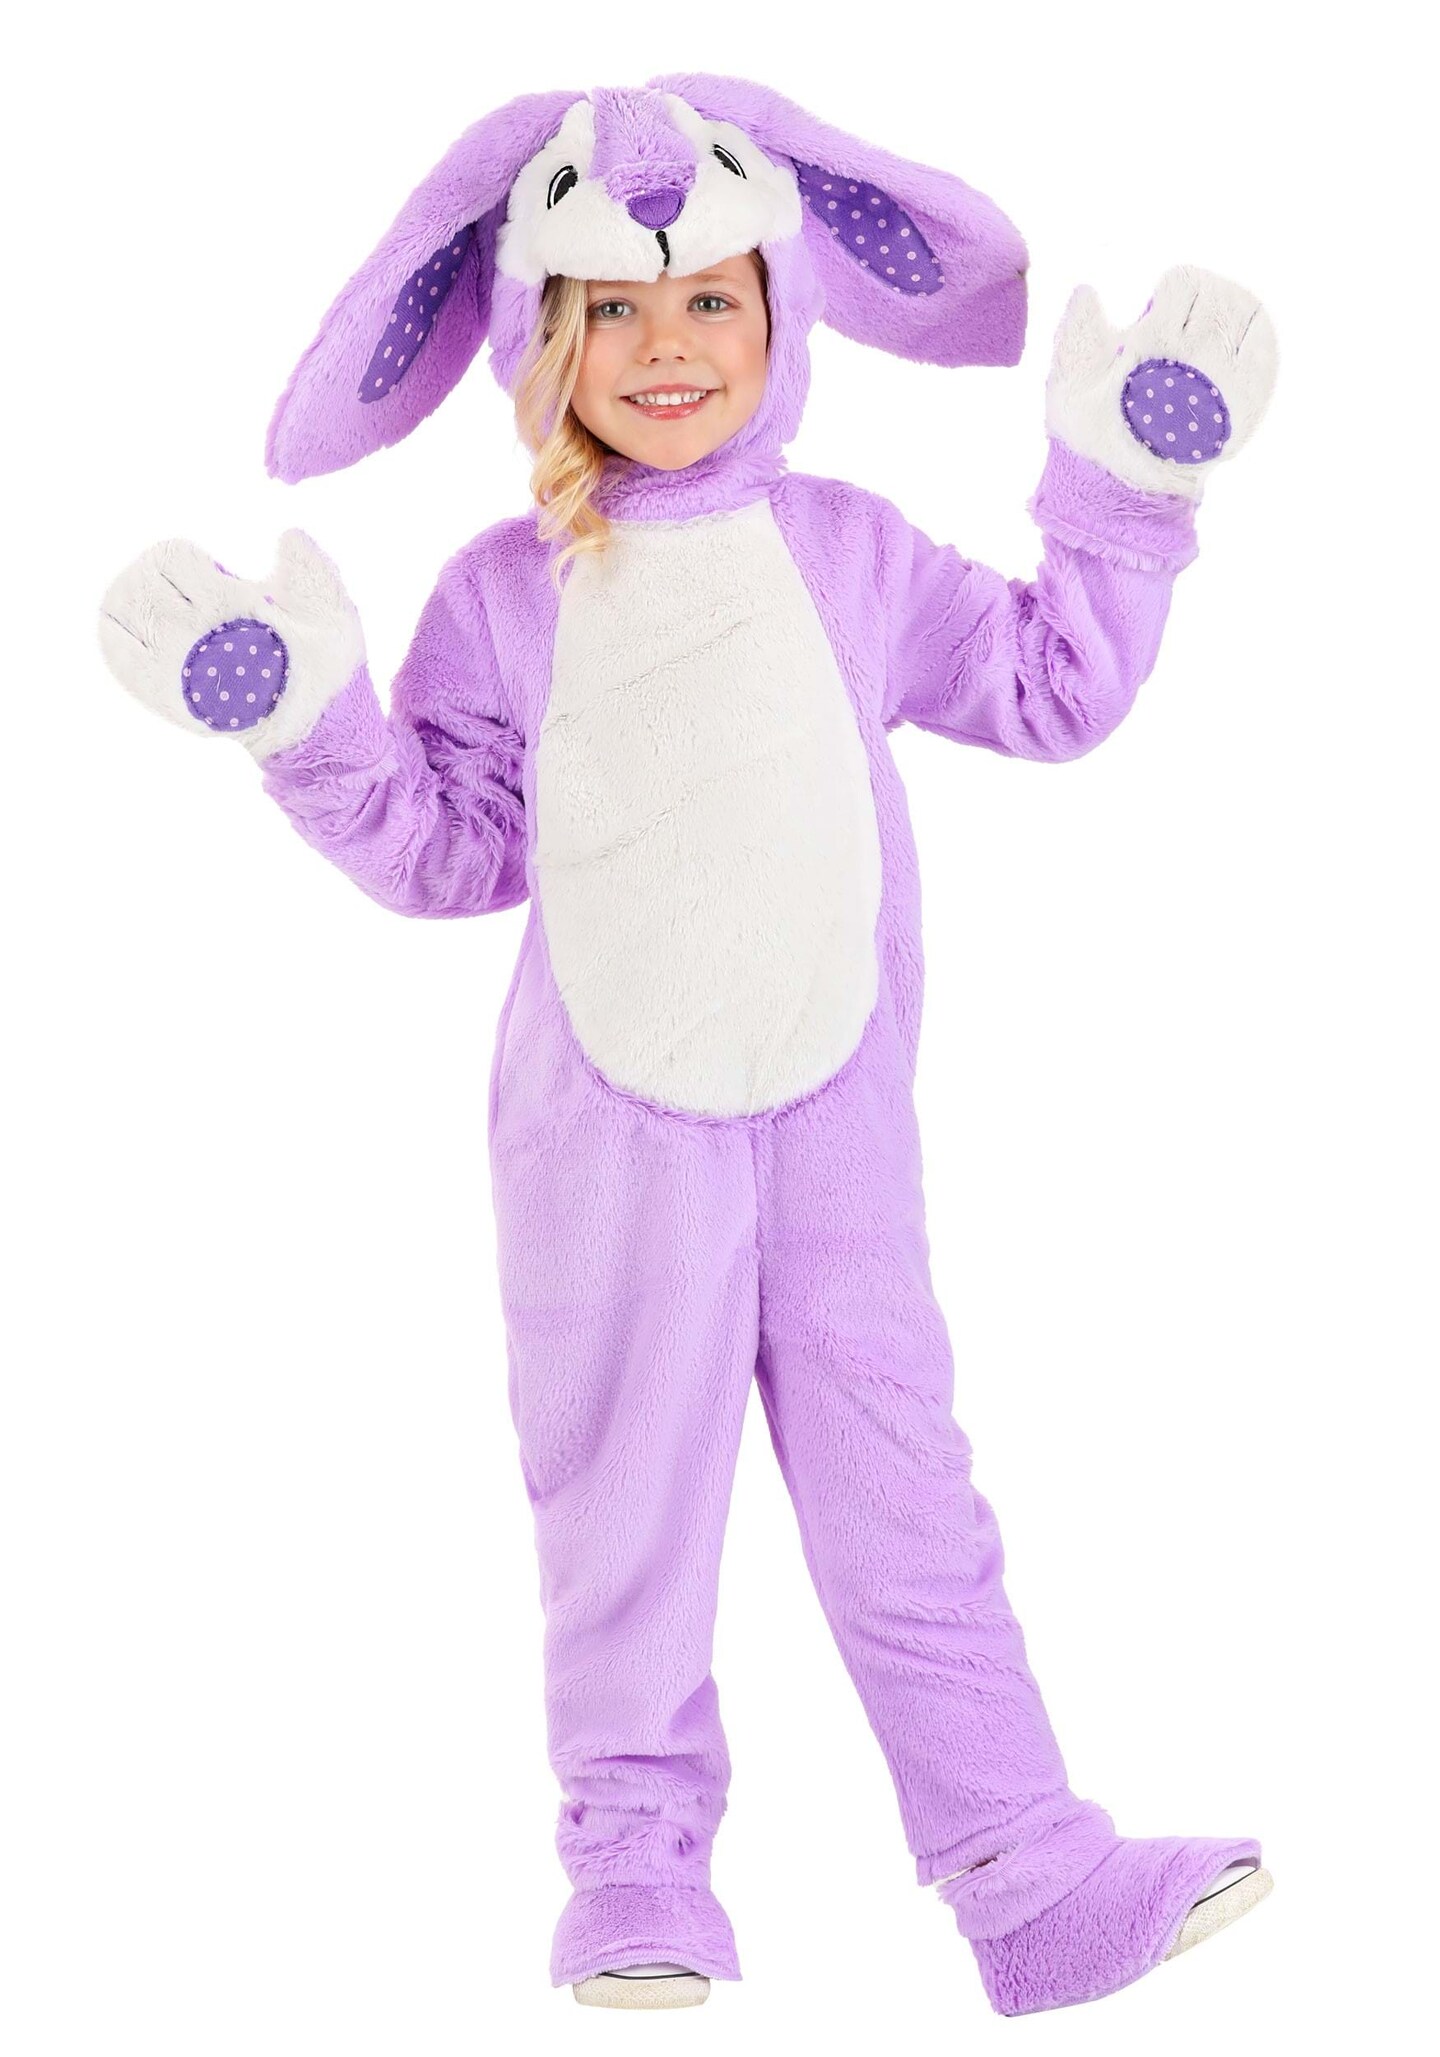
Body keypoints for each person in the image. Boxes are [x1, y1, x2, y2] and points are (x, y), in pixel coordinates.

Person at [96, 77, 1278, 2017]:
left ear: (786, 312)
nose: (667, 344)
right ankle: (635, 1874)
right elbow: (450, 850)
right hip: (602, 1138)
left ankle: (1030, 1877)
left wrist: (1120, 497)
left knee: (908, 1492)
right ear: (535, 337)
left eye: (712, 300)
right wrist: (310, 727)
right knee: (625, 1507)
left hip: (837, 1130)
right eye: (613, 310)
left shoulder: (852, 553)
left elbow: (1051, 690)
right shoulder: (504, 596)